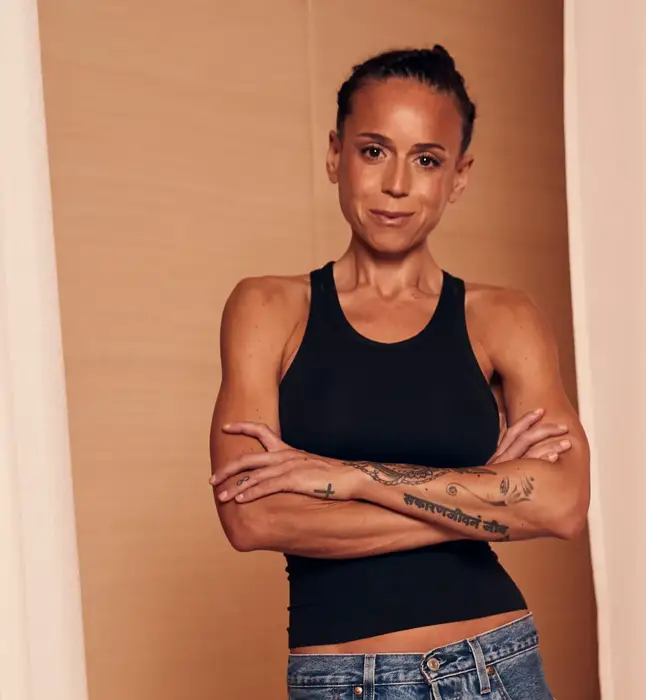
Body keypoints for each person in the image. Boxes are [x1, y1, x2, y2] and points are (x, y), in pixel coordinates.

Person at [208, 45, 590, 700]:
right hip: (342, 680)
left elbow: (561, 504)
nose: (397, 185)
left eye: (428, 160)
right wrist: (482, 495)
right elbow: (254, 518)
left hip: (493, 664)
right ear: (335, 154)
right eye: (374, 150)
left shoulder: (504, 318)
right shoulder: (269, 308)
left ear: (459, 176)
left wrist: (349, 478)